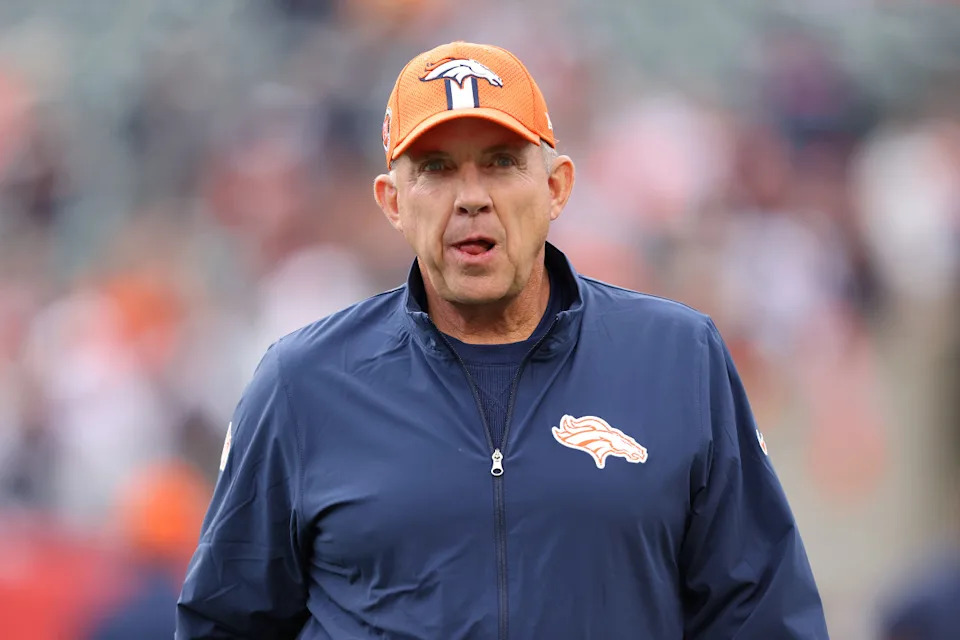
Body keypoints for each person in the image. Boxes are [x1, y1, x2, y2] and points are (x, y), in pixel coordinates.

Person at [176, 41, 829, 639]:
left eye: (501, 164)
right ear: (392, 201)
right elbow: (226, 623)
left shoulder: (679, 359)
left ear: (556, 187)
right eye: (435, 168)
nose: (471, 199)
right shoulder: (303, 383)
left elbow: (762, 616)